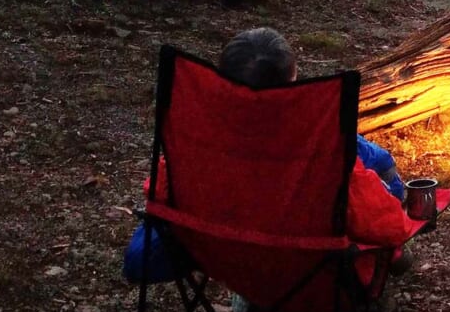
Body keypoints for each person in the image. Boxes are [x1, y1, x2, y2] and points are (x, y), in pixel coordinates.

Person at [123, 27, 414, 291]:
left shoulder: (197, 149)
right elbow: (391, 225)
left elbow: (159, 200)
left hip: (230, 264)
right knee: (378, 178)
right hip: (314, 282)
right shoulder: (324, 150)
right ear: (292, 81)